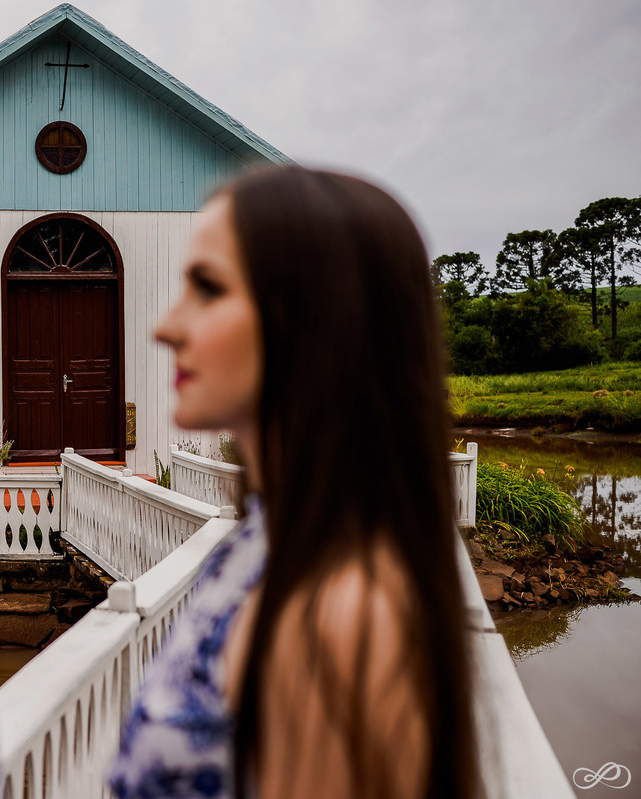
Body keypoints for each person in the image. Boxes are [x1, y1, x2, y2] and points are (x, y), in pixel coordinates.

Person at [110, 166, 478, 799]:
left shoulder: (339, 620)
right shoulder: (269, 538)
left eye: (208, 288)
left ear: (319, 319)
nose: (164, 327)